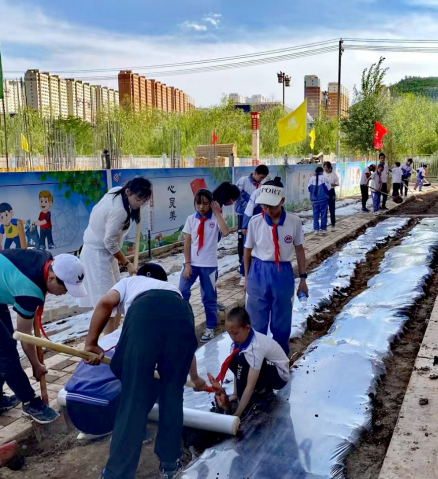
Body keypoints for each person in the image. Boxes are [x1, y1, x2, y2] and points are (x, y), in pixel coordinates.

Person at [84, 263, 206, 479]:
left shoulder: (129, 282)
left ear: (140, 276)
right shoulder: (173, 292)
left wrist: (91, 344)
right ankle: (170, 464)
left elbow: (105, 303)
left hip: (143, 312)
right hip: (182, 313)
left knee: (132, 400)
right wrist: (194, 378)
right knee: (172, 395)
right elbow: (188, 349)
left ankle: (117, 474)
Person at [0, 250, 87, 424]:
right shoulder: (29, 290)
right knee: (4, 349)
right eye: (65, 288)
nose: (65, 294)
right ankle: (29, 401)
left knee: (3, 344)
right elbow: (25, 337)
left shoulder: (47, 258)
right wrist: (36, 365)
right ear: (51, 277)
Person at [79, 176, 152, 334]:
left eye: (144, 200)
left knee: (118, 295)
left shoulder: (116, 192)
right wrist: (128, 264)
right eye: (138, 199)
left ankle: (115, 337)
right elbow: (109, 242)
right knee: (107, 304)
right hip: (96, 255)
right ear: (128, 191)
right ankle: (108, 346)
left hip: (106, 254)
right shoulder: (119, 211)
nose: (140, 203)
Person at [244, 179, 308, 355]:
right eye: (264, 206)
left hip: (283, 273)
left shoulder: (294, 222)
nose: (267, 210)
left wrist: (303, 279)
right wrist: (247, 279)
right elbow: (247, 252)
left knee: (282, 319)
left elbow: (300, 249)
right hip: (258, 272)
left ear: (282, 201)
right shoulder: (255, 222)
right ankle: (255, 358)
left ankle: (279, 359)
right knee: (256, 320)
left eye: (271, 206)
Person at [179, 189, 230, 342]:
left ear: (211, 203)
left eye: (206, 203)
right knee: (182, 292)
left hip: (209, 265)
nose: (201, 207)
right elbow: (187, 243)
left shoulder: (215, 218)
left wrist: (218, 212)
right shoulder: (191, 219)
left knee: (209, 297)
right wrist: (187, 264)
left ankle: (210, 327)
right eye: (198, 203)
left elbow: (226, 232)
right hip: (191, 263)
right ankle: (183, 323)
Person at [224, 307, 289, 419]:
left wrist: (237, 415)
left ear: (247, 328)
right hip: (266, 365)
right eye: (229, 333)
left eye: (235, 333)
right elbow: (237, 370)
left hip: (279, 376)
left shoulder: (255, 348)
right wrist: (235, 394)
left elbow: (249, 385)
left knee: (245, 366)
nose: (232, 337)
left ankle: (261, 390)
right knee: (233, 360)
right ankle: (254, 390)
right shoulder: (237, 342)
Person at [235, 166, 269, 284]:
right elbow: (236, 195)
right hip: (243, 215)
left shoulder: (262, 187)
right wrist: (248, 203)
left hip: (255, 217)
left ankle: (250, 268)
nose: (261, 179)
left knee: (255, 242)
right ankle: (242, 266)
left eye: (263, 178)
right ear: (255, 173)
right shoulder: (243, 181)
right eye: (260, 177)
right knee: (243, 242)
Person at [308, 166, 331, 235]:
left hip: (314, 200)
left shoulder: (311, 179)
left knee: (315, 215)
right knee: (323, 214)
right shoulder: (324, 178)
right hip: (323, 199)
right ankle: (323, 229)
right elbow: (329, 188)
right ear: (322, 172)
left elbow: (308, 189)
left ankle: (316, 230)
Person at [323, 161, 340, 229]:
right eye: (324, 167)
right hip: (324, 192)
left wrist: (332, 184)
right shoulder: (322, 175)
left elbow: (337, 183)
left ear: (330, 167)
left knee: (332, 209)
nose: (325, 169)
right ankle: (324, 224)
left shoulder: (333, 174)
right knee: (324, 209)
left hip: (331, 191)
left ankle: (333, 223)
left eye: (327, 167)